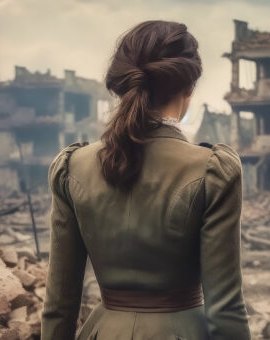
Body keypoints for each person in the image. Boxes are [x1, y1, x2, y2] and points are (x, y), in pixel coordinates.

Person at [41, 20, 252, 340]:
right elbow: (225, 308)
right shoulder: (212, 170)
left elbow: (59, 304)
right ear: (189, 88)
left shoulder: (72, 167)